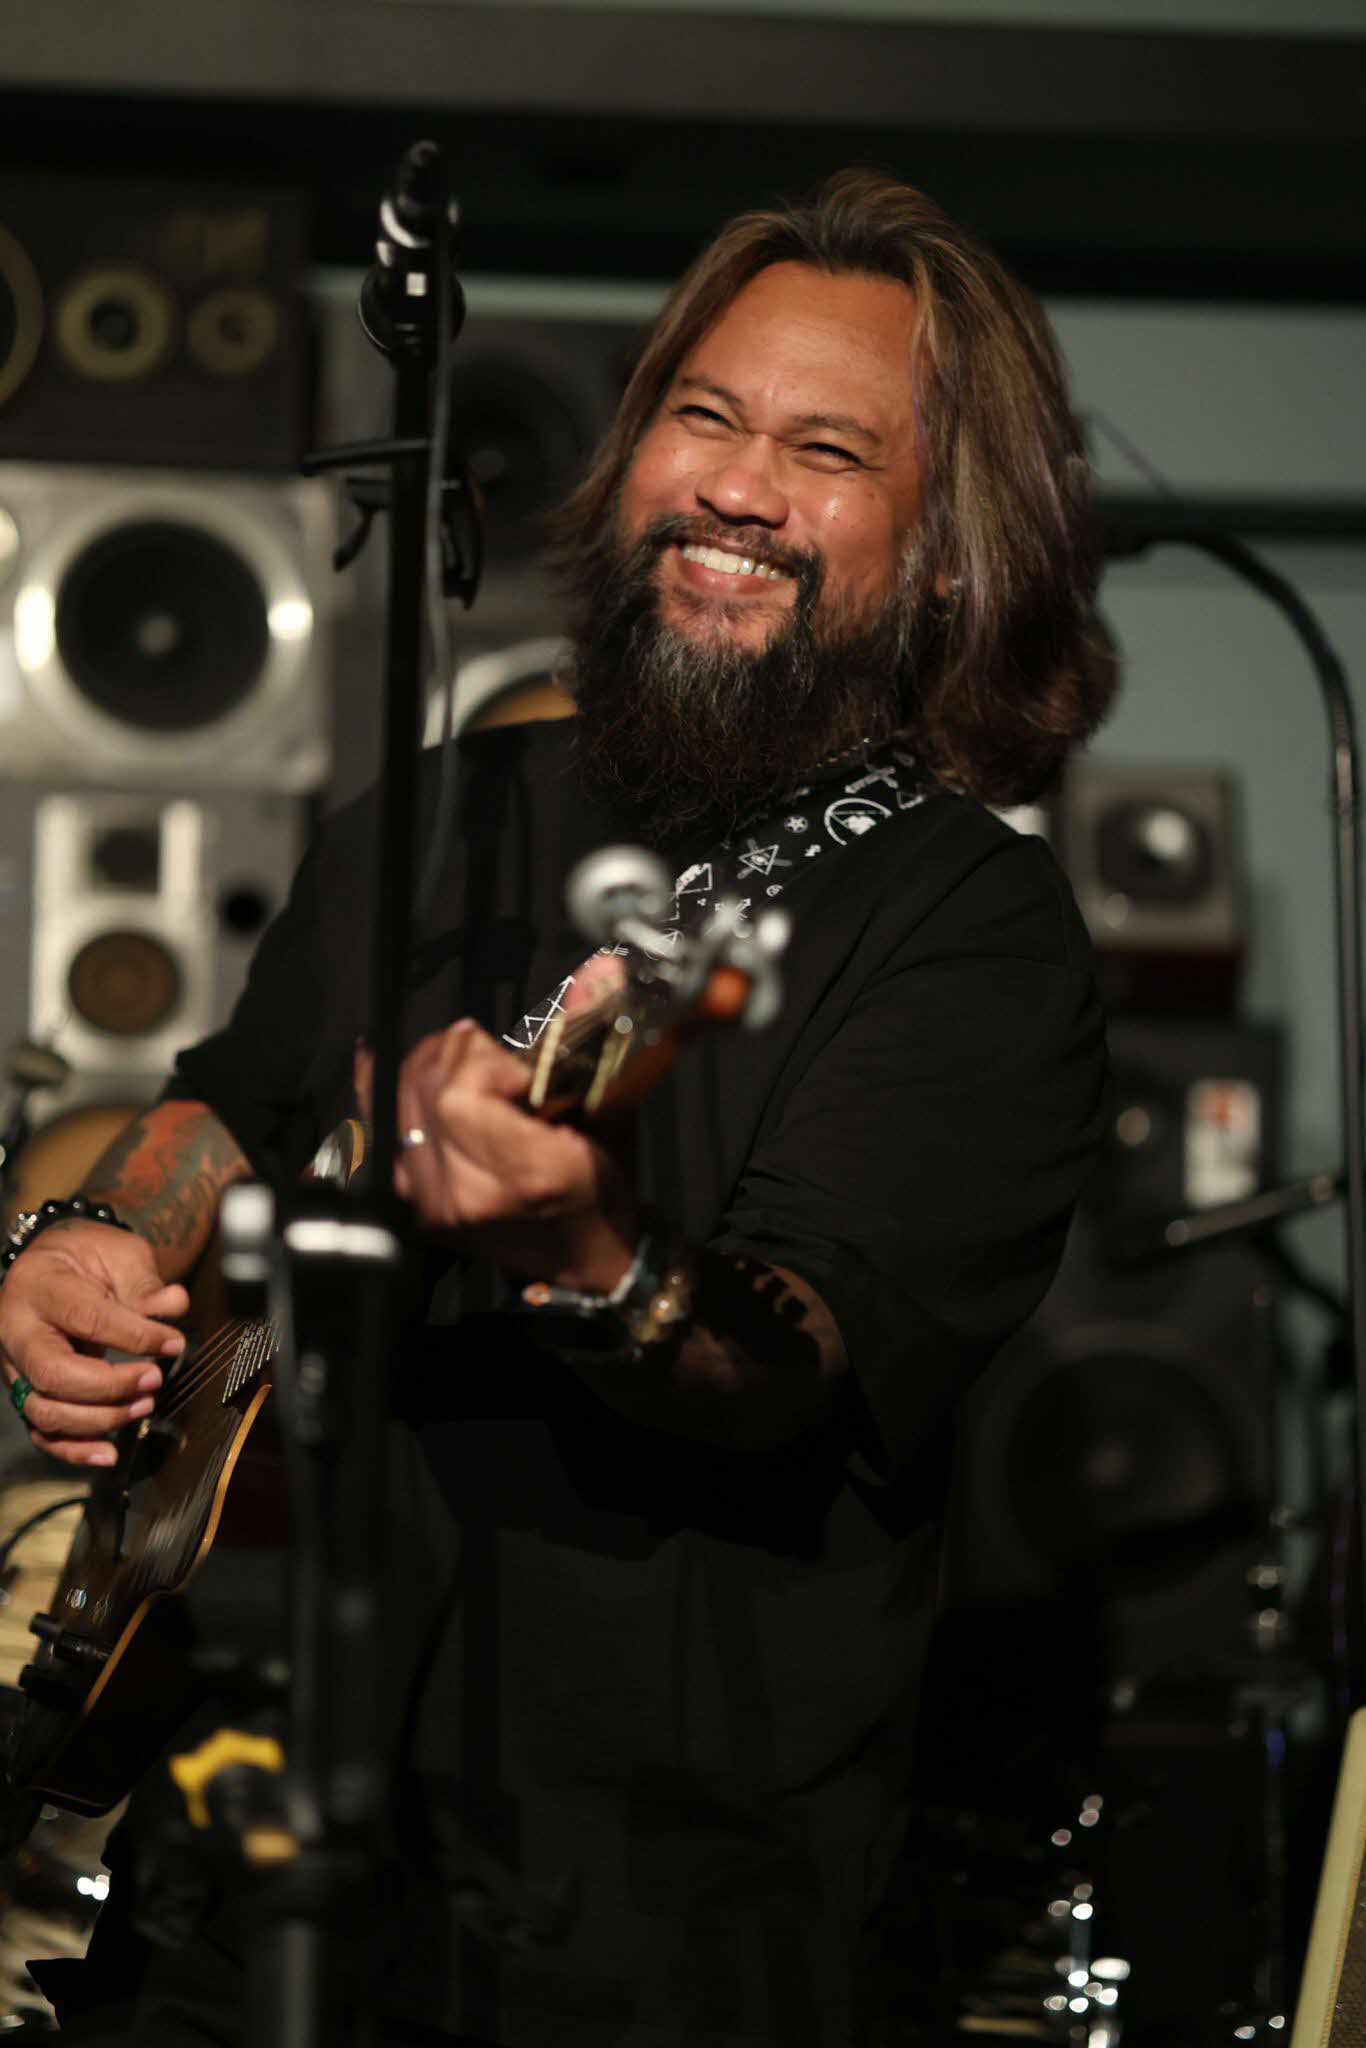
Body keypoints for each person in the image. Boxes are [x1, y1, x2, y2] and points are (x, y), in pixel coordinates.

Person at [0, 170, 1114, 2045]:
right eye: (705, 414)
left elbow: (799, 1364)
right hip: (244, 1843)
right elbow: (225, 1111)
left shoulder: (967, 931)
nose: (739, 488)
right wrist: (87, 1240)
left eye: (826, 449)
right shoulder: (448, 814)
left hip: (648, 1924)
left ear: (947, 549)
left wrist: (582, 1251)